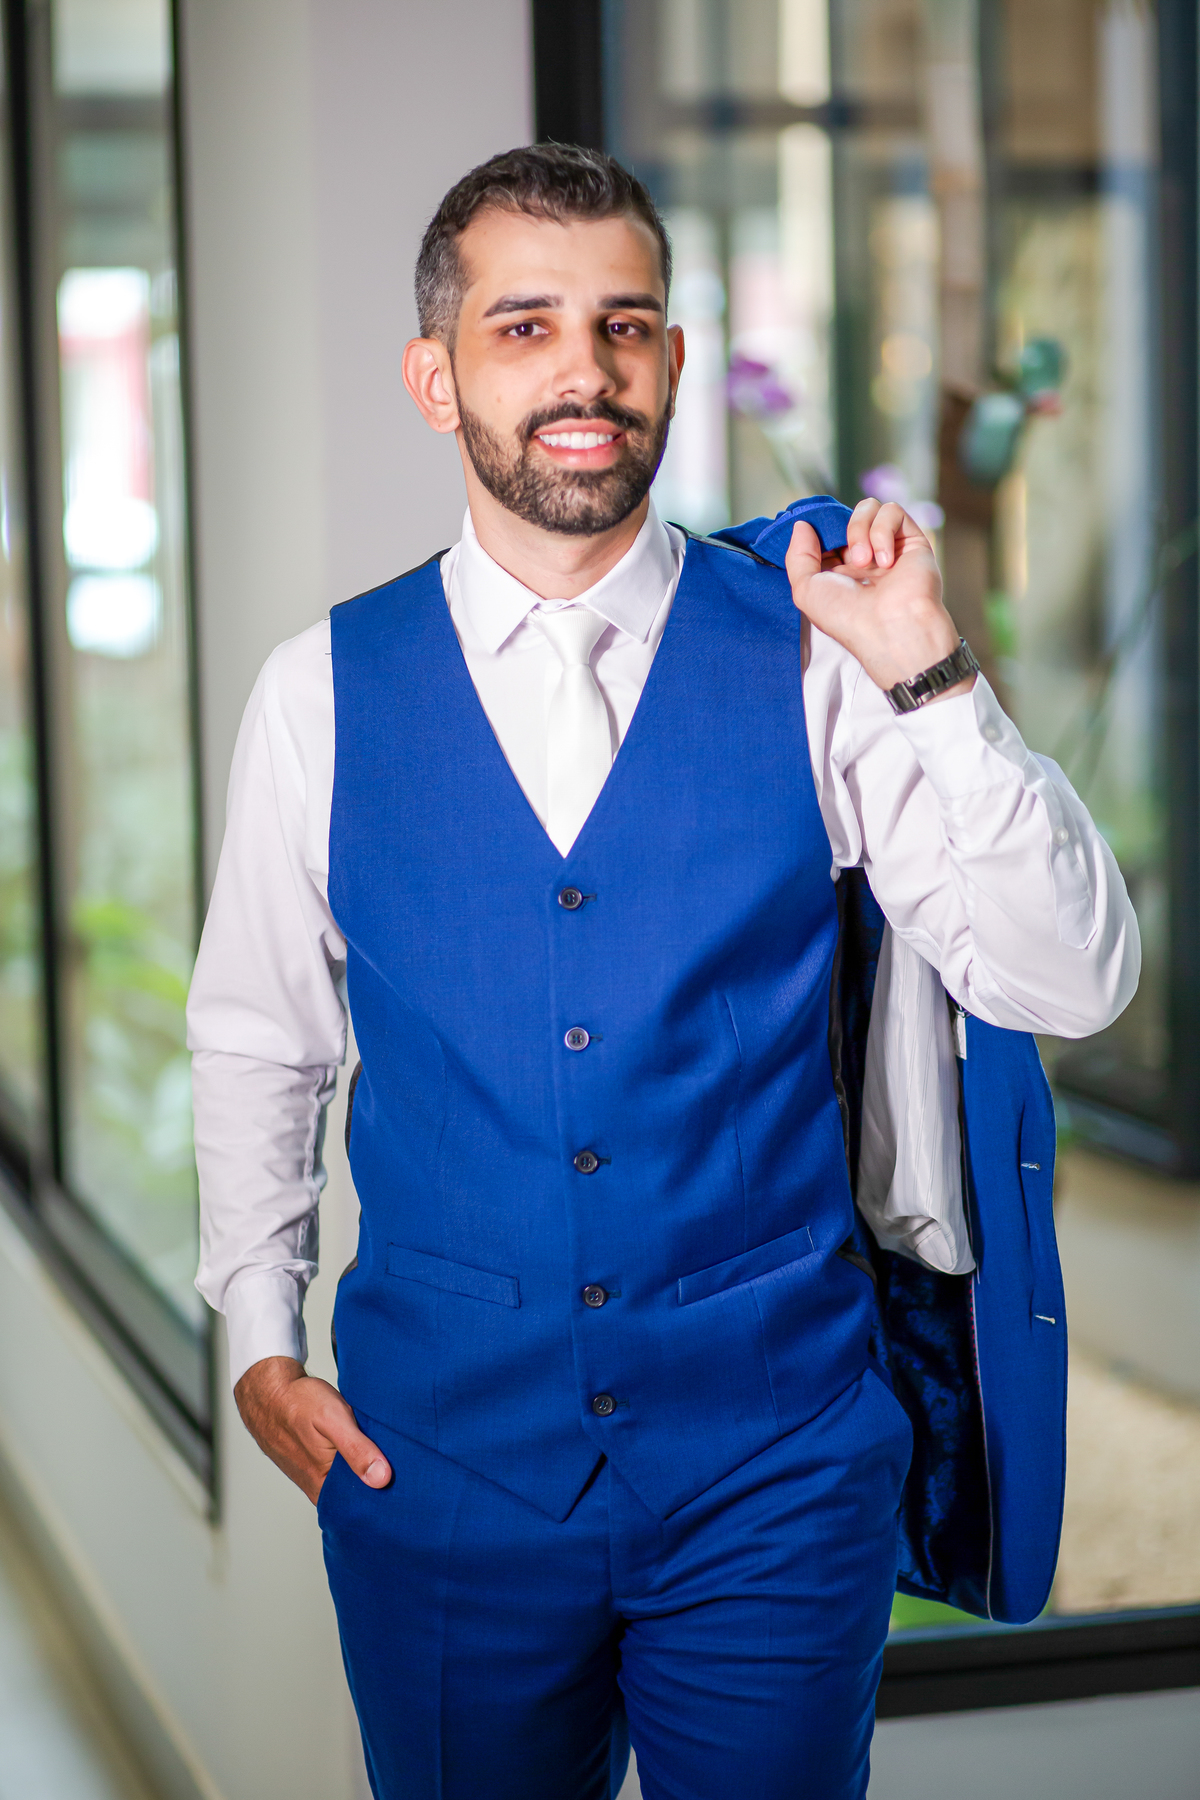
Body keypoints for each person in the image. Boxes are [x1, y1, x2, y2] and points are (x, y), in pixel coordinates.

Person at [188, 145, 1139, 1800]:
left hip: (776, 1468)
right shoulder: (317, 695)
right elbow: (262, 1038)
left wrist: (929, 670)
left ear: (675, 363)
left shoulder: (823, 654)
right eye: (525, 327)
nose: (585, 370)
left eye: (624, 326)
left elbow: (1075, 982)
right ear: (436, 378)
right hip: (440, 1471)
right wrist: (261, 1335)